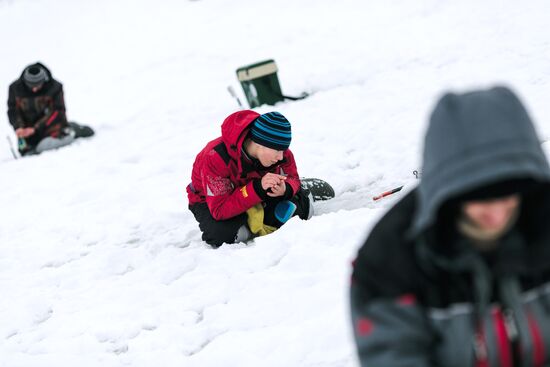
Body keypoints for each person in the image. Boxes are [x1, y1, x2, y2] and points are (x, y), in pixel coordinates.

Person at [350, 87, 550, 366]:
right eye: (479, 202)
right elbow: (393, 354)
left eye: (507, 197)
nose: (496, 215)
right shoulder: (390, 261)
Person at [187, 110, 313, 247]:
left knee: (302, 210)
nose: (281, 157)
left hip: (259, 191)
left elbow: (292, 177)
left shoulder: (279, 150)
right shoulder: (215, 156)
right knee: (220, 235)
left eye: (283, 150)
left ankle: (262, 217)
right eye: (277, 151)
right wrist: (257, 188)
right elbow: (220, 209)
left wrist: (286, 188)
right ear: (259, 143)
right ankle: (259, 221)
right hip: (213, 200)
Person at [7, 62, 94, 155]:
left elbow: (58, 111)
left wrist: (36, 128)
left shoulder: (54, 87)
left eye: (37, 85)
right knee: (27, 152)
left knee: (44, 147)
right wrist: (19, 127)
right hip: (27, 130)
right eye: (31, 86)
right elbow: (12, 110)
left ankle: (72, 131)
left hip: (50, 125)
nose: (34, 89)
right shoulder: (15, 88)